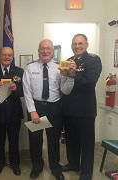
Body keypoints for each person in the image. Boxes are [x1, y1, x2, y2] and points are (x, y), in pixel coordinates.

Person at [22, 39, 76, 180]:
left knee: (53, 140)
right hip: (37, 108)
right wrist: (32, 111)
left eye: (48, 49)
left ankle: (55, 168)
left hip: (54, 108)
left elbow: (66, 91)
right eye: (42, 48)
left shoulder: (60, 67)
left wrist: (70, 76)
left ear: (52, 51)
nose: (45, 51)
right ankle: (37, 167)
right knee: (35, 140)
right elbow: (27, 91)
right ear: (38, 50)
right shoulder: (30, 68)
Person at [62, 34, 102, 180]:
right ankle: (73, 164)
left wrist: (73, 75)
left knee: (86, 144)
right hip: (69, 109)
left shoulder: (93, 60)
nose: (76, 46)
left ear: (86, 44)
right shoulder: (68, 61)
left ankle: (86, 174)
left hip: (85, 111)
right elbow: (64, 82)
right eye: (74, 44)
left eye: (80, 43)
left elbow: (90, 82)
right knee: (71, 141)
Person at [0, 47, 24, 176]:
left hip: (14, 112)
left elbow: (25, 91)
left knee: (14, 141)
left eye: (9, 55)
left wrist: (16, 89)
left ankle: (15, 164)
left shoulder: (20, 71)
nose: (7, 57)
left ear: (12, 57)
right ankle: (0, 163)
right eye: (4, 55)